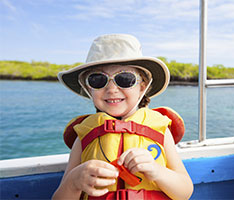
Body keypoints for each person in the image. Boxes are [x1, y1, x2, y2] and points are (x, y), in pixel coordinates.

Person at [52, 34, 193, 200]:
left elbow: (185, 191)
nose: (112, 89)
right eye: (98, 80)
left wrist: (156, 171)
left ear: (142, 86)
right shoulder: (84, 133)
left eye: (125, 79)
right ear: (89, 88)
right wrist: (73, 182)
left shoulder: (160, 129)